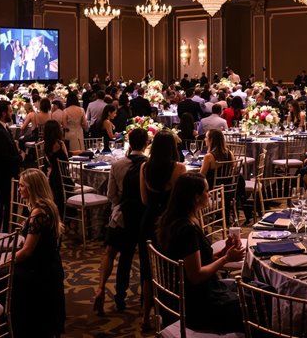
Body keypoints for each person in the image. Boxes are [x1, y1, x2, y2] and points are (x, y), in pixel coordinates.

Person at [156, 172, 245, 333]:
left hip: (186, 297)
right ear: (196, 197)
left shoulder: (175, 219)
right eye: (206, 191)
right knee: (258, 301)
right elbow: (196, 275)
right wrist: (226, 259)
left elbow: (196, 260)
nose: (210, 194)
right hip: (198, 307)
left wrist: (223, 252)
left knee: (253, 289)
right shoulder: (187, 229)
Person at [93, 128, 148, 315]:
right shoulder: (149, 165)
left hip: (122, 216)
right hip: (142, 218)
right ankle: (144, 299)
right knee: (144, 258)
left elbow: (111, 196)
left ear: (129, 144)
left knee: (111, 253)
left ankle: (103, 288)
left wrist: (123, 204)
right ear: (146, 144)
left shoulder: (117, 165)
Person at [139, 130, 188, 332]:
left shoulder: (144, 167)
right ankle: (169, 312)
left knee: (148, 269)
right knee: (169, 266)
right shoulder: (179, 168)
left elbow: (144, 200)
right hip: (168, 221)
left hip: (148, 219)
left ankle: (145, 317)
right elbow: (180, 201)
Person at [11, 168, 65, 338]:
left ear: (32, 188)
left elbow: (27, 252)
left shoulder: (38, 213)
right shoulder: (47, 205)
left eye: (22, 186)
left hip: (39, 271)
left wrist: (6, 261)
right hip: (50, 265)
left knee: (2, 277)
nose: (19, 189)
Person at [41, 120, 69, 219]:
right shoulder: (60, 144)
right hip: (62, 178)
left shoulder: (45, 145)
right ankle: (69, 219)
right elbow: (66, 161)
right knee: (72, 189)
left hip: (50, 177)